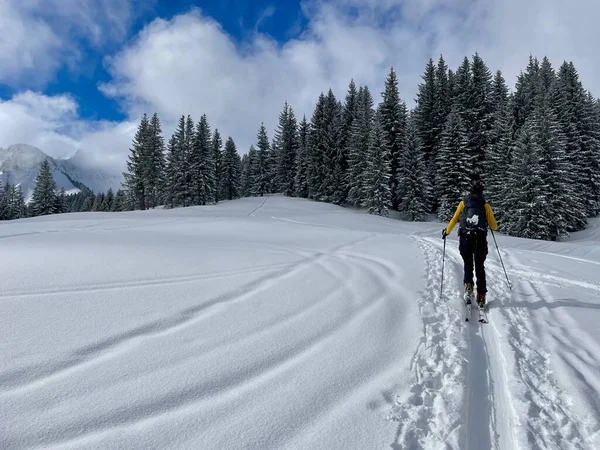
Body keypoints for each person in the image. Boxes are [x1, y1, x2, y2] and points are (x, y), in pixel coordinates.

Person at [442, 180, 498, 307]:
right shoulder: (485, 205)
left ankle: (468, 288)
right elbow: (494, 226)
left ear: (470, 191)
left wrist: (447, 231)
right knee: (479, 265)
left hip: (465, 237)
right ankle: (482, 295)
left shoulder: (463, 203)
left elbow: (455, 218)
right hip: (480, 238)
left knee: (468, 263)